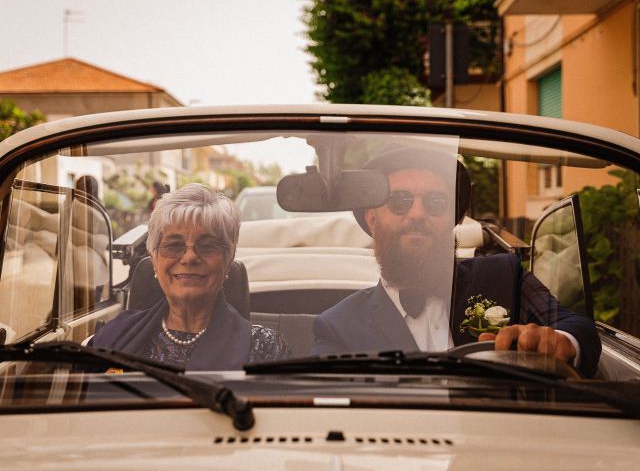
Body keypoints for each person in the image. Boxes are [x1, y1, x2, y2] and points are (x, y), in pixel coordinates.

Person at [312, 148, 601, 377]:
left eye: (435, 202)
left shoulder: (504, 274)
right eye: (399, 201)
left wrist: (558, 341)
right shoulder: (338, 327)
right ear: (372, 219)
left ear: (452, 219)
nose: (417, 214)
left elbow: (578, 328)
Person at [91, 183, 289, 370]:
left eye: (207, 246)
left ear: (229, 260)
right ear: (154, 260)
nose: (190, 257)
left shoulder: (265, 348)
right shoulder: (112, 336)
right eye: (174, 245)